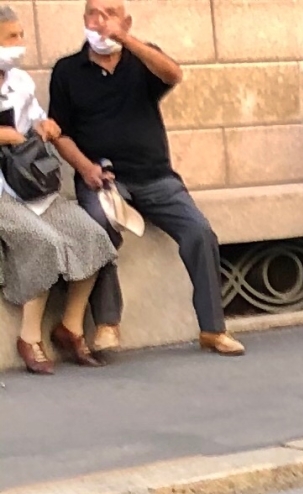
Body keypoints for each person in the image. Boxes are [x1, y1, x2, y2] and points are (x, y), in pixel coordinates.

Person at [45, 1, 241, 355]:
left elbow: (174, 74)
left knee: (199, 232)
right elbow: (60, 131)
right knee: (98, 226)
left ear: (126, 21)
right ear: (84, 20)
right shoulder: (67, 70)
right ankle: (107, 323)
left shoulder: (142, 60)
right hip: (102, 178)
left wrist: (128, 41)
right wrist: (85, 168)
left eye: (110, 13)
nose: (100, 21)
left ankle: (213, 328)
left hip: (155, 177)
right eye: (93, 13)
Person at [0, 4, 112, 371]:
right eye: (11, 37)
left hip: (33, 183)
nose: (19, 44)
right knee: (43, 243)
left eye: (20, 35)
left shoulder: (21, 82)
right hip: (3, 192)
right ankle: (29, 337)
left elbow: (39, 122)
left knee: (92, 234)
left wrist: (46, 127)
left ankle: (71, 327)